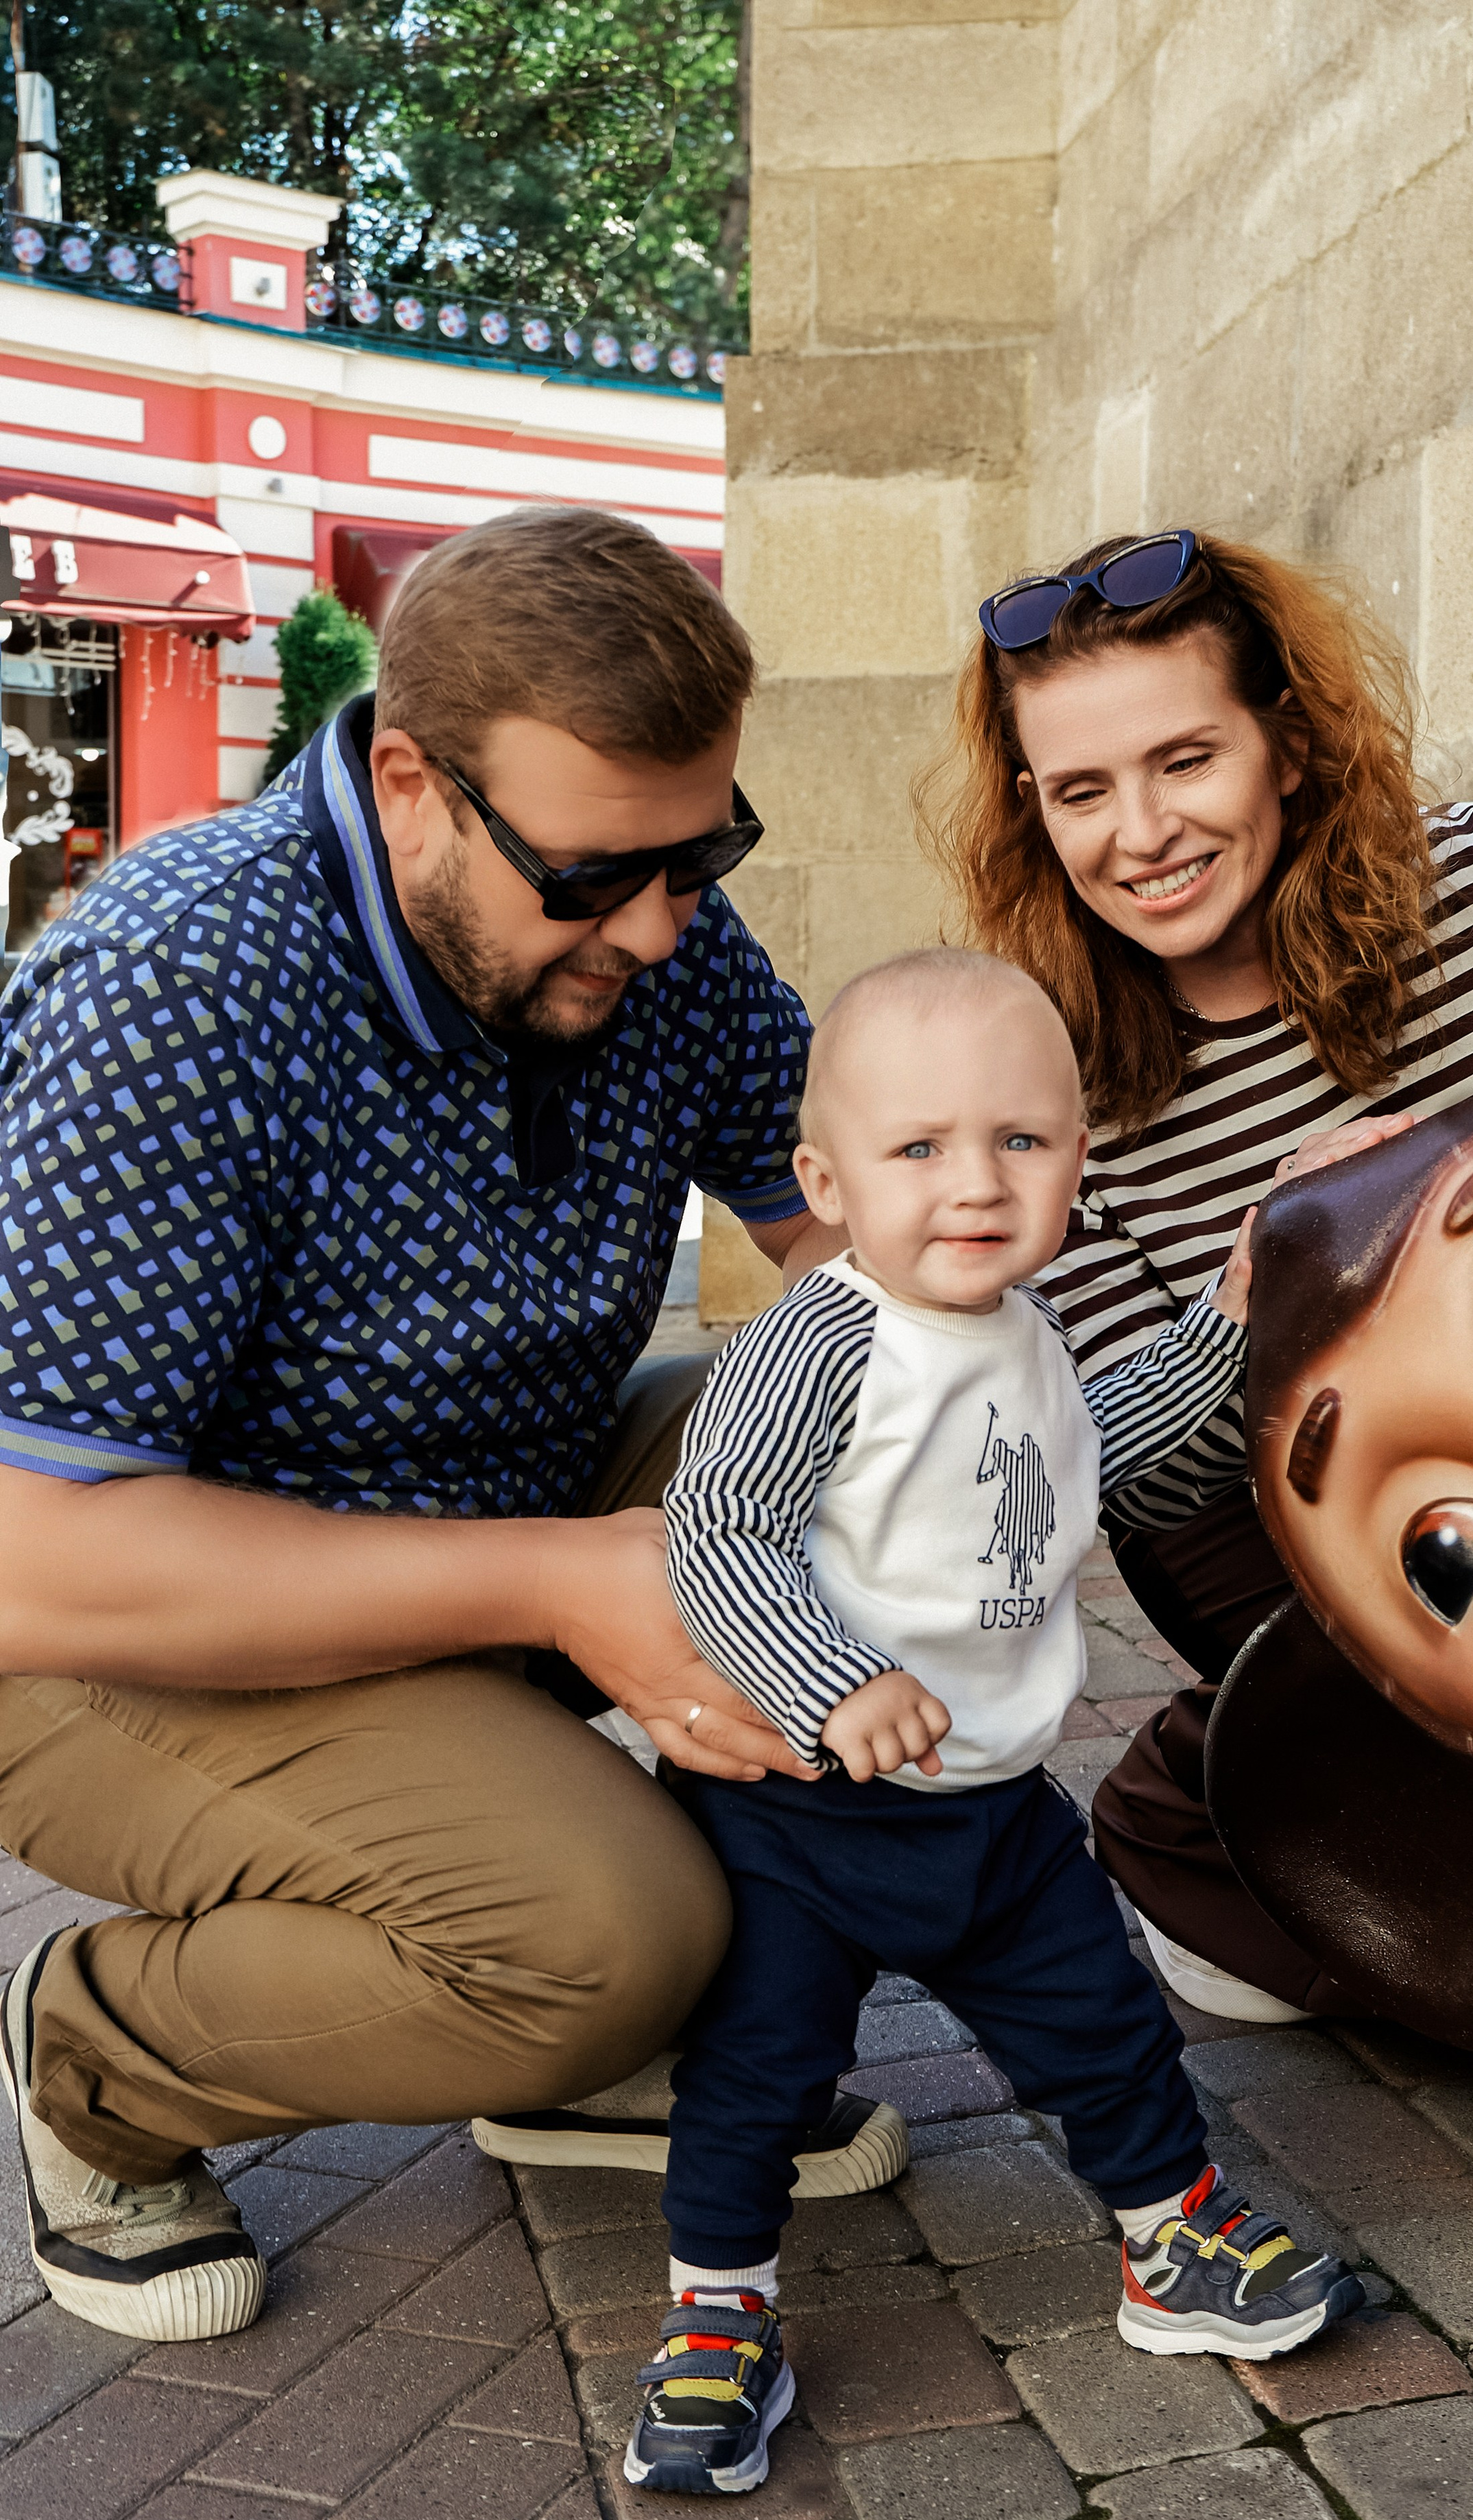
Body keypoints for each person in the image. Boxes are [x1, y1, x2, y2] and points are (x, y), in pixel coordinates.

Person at [0, 506, 876, 2347]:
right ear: (410, 779)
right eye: (591, 878)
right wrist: (564, 1585)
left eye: (703, 853)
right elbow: (41, 1560)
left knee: (899, 1439)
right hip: (121, 1635)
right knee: (605, 1934)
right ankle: (95, 2053)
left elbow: (869, 1254)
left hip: (501, 1531)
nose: (656, 927)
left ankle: (579, 2059)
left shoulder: (655, 930)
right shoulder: (184, 982)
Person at [930, 525, 1473, 2023]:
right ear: (1032, 809)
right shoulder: (1041, 1072)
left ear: (1284, 746)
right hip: (1299, 1521)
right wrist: (1253, 1288)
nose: (1139, 832)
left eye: (1183, 761)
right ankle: (1205, 1801)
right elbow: (1118, 1470)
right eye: (1081, 790)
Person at [621, 949, 1363, 2501]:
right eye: (917, 1150)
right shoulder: (820, 1343)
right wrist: (835, 1684)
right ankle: (716, 2315)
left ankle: (1170, 2242)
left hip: (992, 1809)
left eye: (1019, 1142)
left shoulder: (1019, 1330)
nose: (973, 1185)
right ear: (823, 1180)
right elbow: (719, 1531)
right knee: (756, 2075)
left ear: (1076, 1160)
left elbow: (1099, 1445)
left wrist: (1229, 1322)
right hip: (807, 1817)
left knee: (1103, 2027)